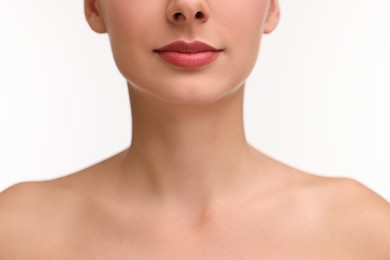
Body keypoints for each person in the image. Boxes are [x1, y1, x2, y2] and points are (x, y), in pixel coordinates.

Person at [1, 0, 389, 258]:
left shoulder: (365, 235)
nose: (187, 7)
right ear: (94, 7)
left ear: (270, 7)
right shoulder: (15, 235)